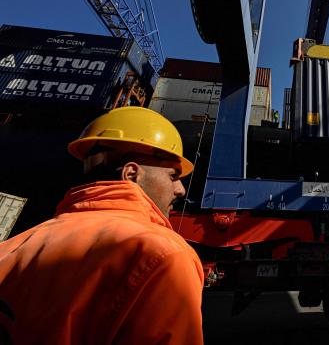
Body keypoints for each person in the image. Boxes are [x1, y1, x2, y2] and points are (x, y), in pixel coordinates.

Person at [0, 107, 204, 344]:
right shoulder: (162, 253)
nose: (181, 189)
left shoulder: (12, 247)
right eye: (173, 176)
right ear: (131, 174)